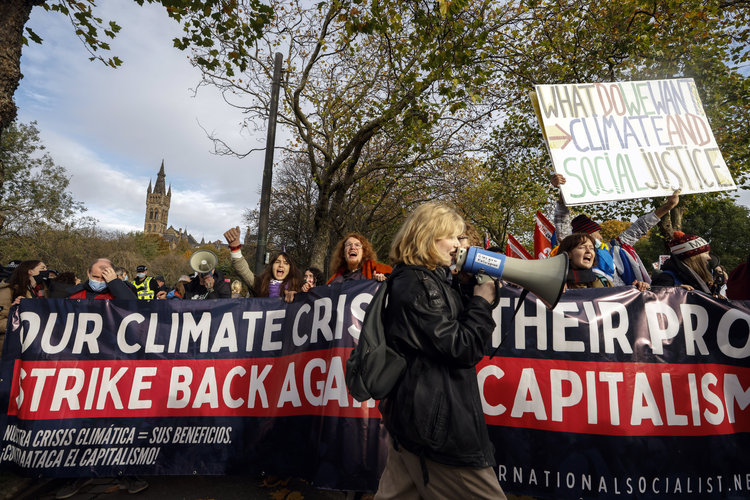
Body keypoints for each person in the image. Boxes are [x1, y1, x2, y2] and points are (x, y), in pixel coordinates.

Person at [375, 202, 506, 499]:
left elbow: (448, 326)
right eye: (453, 237)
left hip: (416, 418)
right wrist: (482, 302)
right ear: (428, 237)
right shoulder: (419, 284)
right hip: (437, 428)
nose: (460, 245)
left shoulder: (425, 279)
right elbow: (462, 347)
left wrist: (468, 288)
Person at [551, 174, 679, 289]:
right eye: (597, 232)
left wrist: (668, 206)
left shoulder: (613, 249)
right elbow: (562, 222)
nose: (601, 237)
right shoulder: (569, 258)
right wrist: (563, 190)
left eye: (590, 247)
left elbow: (640, 227)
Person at [0, 260, 48, 350]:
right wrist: (22, 324)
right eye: (43, 268)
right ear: (30, 271)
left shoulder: (40, 291)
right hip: (8, 346)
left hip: (28, 345)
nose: (46, 270)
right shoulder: (8, 290)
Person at [327, 232, 392, 283]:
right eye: (348, 245)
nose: (352, 247)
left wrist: (382, 278)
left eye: (357, 245)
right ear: (343, 253)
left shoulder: (373, 270)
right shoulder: (335, 279)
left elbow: (393, 276)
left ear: (363, 253)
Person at [67, 258, 137, 300]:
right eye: (95, 277)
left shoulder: (123, 289)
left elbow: (134, 306)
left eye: (104, 278)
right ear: (88, 273)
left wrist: (114, 282)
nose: (99, 281)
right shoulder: (75, 292)